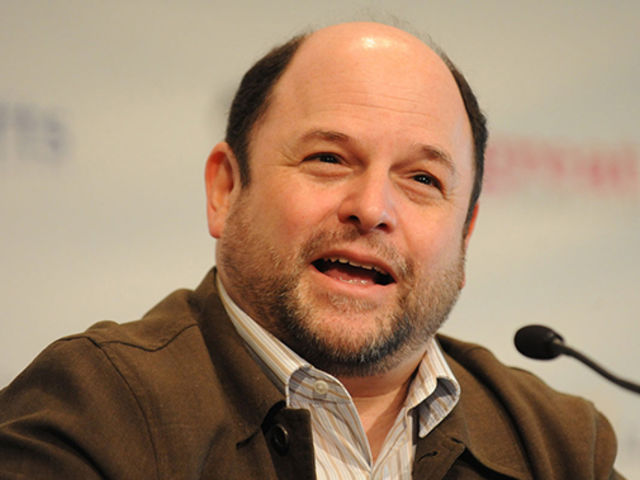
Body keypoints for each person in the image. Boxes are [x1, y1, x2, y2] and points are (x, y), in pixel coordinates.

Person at [0, 22, 624, 479]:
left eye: (422, 178)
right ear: (225, 190)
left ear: (465, 234)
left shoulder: (562, 446)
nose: (372, 208)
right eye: (328, 158)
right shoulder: (92, 410)